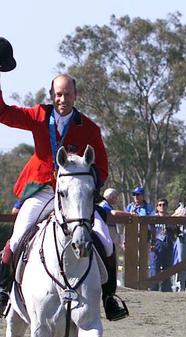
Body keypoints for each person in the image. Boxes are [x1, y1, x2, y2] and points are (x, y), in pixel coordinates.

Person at [0, 73, 128, 321]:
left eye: (68, 94)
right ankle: (4, 290)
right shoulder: (39, 115)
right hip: (42, 190)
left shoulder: (89, 128)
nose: (63, 99)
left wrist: (85, 184)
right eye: (58, 94)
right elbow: (3, 113)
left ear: (75, 96)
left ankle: (109, 298)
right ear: (51, 96)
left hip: (74, 195)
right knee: (16, 239)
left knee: (106, 240)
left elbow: (101, 168)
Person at [149, 198, 176, 292]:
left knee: (167, 267)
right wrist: (150, 243)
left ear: (167, 206)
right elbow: (148, 232)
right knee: (154, 267)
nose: (162, 207)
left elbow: (176, 231)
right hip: (156, 244)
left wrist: (171, 225)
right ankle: (154, 288)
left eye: (164, 205)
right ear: (157, 207)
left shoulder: (171, 218)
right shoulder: (153, 218)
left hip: (167, 244)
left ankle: (166, 287)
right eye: (160, 205)